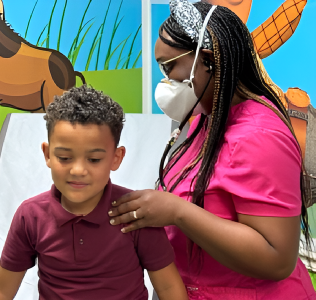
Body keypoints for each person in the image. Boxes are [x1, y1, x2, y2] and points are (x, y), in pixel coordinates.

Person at [107, 1, 316, 299]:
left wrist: (178, 212)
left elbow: (277, 258)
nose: (165, 81)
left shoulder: (259, 135)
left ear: (207, 60)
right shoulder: (205, 119)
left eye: (170, 67)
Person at [0, 85, 188, 300]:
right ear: (47, 154)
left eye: (93, 159)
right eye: (64, 157)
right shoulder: (30, 216)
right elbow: (0, 289)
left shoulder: (136, 212)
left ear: (116, 158)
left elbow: (169, 289)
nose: (78, 171)